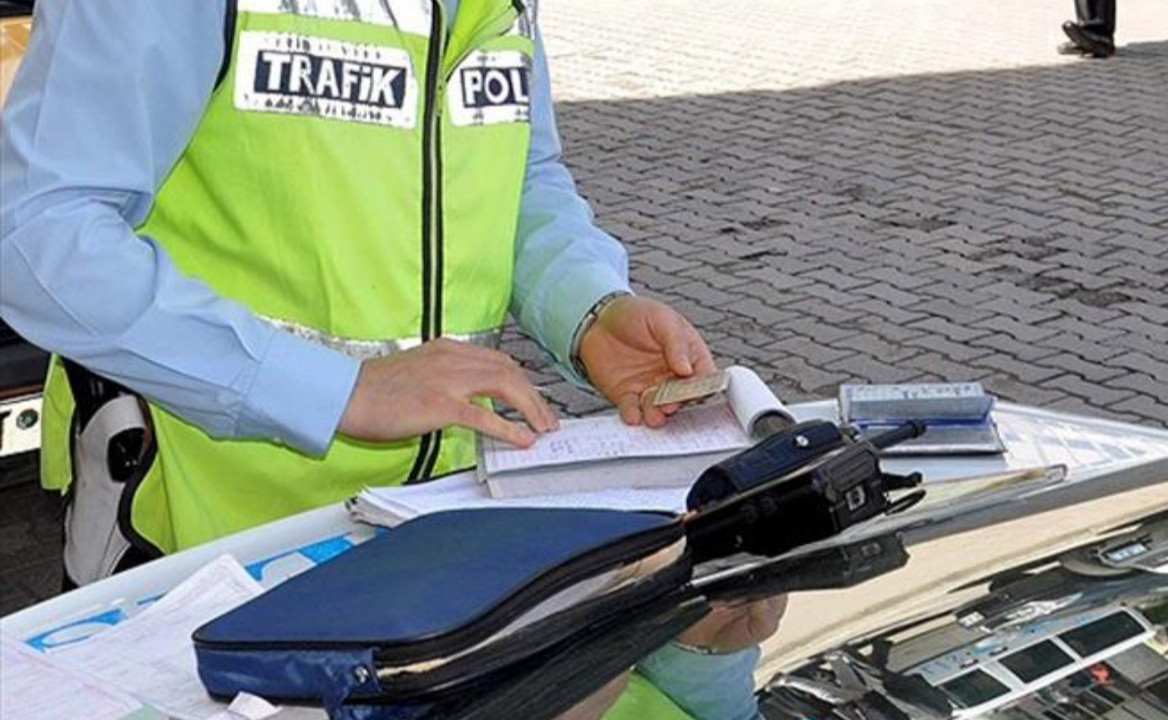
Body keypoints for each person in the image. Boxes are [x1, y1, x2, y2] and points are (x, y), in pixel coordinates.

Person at [0, 0, 784, 718]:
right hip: (212, 553)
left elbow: (524, 175)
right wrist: (332, 389)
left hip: (444, 541)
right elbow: (37, 232)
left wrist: (583, 305)